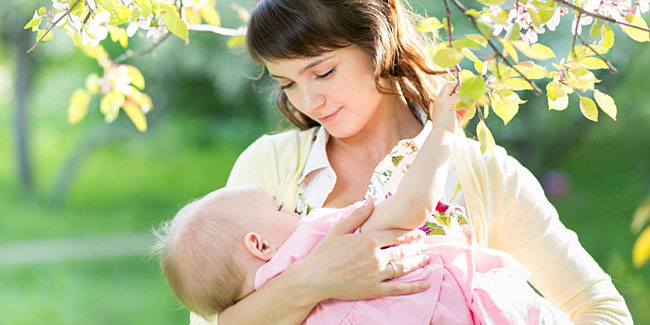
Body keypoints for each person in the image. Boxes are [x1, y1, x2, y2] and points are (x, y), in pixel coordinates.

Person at [188, 0, 633, 324]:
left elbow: (604, 313)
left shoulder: (484, 176)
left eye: (322, 72)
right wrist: (315, 281)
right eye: (287, 83)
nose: (309, 100)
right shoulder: (269, 170)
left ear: (377, 41)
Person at [156, 85, 570, 323]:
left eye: (323, 72)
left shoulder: (273, 314)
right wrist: (441, 131)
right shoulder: (321, 239)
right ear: (258, 245)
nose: (294, 211)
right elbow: (411, 208)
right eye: (280, 211)